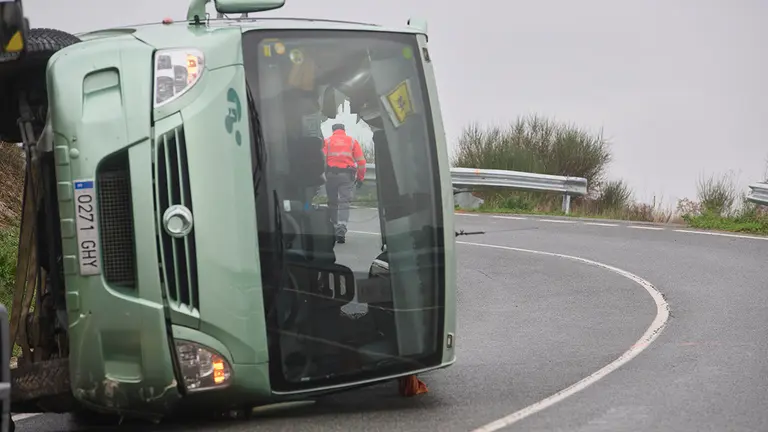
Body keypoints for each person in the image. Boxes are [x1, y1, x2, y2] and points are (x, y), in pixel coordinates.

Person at [323, 123, 366, 244]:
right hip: (347, 176)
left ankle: (333, 227)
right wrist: (360, 178)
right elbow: (361, 162)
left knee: (332, 201)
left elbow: (322, 160)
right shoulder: (352, 141)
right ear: (344, 130)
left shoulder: (327, 141)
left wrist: (322, 176)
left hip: (330, 175)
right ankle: (341, 230)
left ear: (333, 130)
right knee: (344, 202)